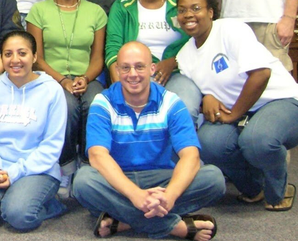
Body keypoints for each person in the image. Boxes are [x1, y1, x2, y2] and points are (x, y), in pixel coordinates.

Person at [73, 41, 224, 240]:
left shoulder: (171, 102)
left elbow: (191, 156)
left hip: (162, 178)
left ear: (152, 69)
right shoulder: (103, 102)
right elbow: (97, 156)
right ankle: (171, 225)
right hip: (119, 178)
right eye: (125, 68)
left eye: (139, 67)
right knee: (84, 181)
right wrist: (136, 195)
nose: (132, 74)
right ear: (117, 70)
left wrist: (169, 196)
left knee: (213, 179)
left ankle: (126, 219)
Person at [176, 0, 298, 212]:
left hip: (279, 101)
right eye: (182, 10)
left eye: (196, 8)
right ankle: (254, 188)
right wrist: (206, 98)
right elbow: (204, 88)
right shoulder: (184, 56)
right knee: (208, 143)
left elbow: (261, 74)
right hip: (240, 112)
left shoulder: (230, 29)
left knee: (257, 141)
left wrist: (235, 114)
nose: (188, 15)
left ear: (210, 12)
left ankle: (278, 191)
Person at [0, 30, 68, 231]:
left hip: (38, 169)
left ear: (34, 57)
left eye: (22, 53)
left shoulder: (51, 90)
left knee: (18, 216)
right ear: (1, 58)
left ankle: (47, 203)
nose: (15, 60)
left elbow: (51, 146)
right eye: (8, 54)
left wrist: (15, 173)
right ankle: (11, 200)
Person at [26, 0, 107, 178]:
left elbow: (98, 58)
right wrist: (62, 81)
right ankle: (66, 163)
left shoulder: (96, 12)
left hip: (87, 78)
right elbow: (36, 59)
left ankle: (88, 162)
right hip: (50, 78)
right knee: (67, 105)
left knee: (96, 102)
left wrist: (85, 79)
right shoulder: (38, 11)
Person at [106, 0, 202, 124]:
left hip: (178, 73)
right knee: (143, 116)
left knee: (185, 110)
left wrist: (174, 61)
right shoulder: (122, 7)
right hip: (136, 76)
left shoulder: (180, 5)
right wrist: (121, 86)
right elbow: (113, 50)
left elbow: (197, 42)